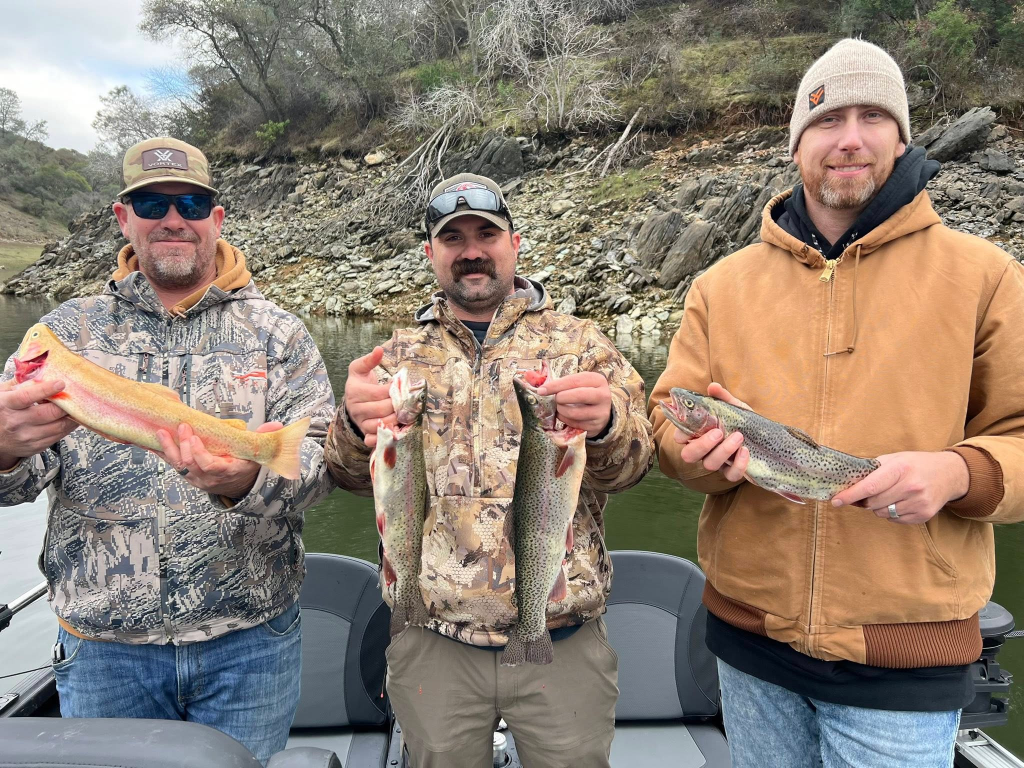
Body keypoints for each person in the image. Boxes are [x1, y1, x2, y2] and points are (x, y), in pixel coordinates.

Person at [649, 39, 1024, 768]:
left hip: (905, 660)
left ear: (902, 136)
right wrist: (698, 457)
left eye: (871, 117)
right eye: (827, 120)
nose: (849, 138)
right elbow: (670, 421)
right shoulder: (720, 287)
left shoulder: (987, 278)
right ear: (797, 144)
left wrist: (957, 474)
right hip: (751, 646)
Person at [0, 137, 335, 764]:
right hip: (104, 649)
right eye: (152, 205)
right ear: (123, 218)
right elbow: (14, 484)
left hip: (251, 640)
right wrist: (1, 449)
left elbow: (321, 468)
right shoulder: (66, 333)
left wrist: (243, 482)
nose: (173, 219)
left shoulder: (278, 332)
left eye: (190, 202)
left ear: (216, 218)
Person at [325, 173, 653, 767]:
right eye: (453, 238)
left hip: (563, 637)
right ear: (430, 254)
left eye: (486, 234)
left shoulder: (581, 345)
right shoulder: (396, 356)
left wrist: (606, 428)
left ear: (515, 243)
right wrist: (352, 429)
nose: (471, 250)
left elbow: (635, 464)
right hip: (432, 637)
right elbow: (346, 476)